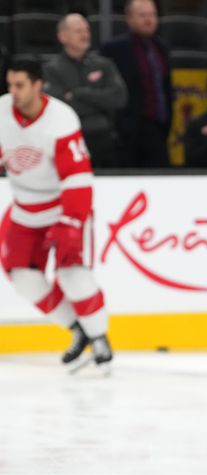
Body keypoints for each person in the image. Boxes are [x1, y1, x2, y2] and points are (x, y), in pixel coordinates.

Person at [0, 59, 112, 369]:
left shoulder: (61, 118)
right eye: (10, 85)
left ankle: (100, 338)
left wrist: (71, 222)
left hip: (64, 207)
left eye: (20, 85)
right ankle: (79, 331)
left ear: (38, 85)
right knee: (22, 277)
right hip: (25, 210)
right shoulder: (1, 112)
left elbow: (77, 177)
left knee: (72, 273)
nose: (14, 92)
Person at [44, 13, 129, 169]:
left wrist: (77, 93)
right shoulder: (52, 69)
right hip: (69, 142)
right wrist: (99, 101)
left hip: (104, 142)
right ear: (63, 37)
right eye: (79, 31)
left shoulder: (103, 64)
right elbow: (58, 107)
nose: (85, 35)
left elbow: (119, 97)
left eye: (87, 30)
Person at [101, 0, 173, 168]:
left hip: (158, 129)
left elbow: (165, 88)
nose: (149, 20)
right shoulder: (114, 49)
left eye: (152, 15)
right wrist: (120, 128)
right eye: (142, 15)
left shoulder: (162, 48)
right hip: (127, 134)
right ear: (129, 18)